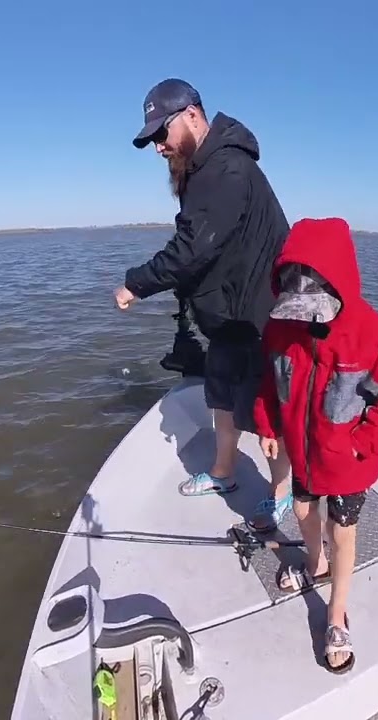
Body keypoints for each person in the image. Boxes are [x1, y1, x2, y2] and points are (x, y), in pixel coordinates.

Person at [113, 78, 294, 530]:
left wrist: (136, 285)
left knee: (267, 413)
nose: (159, 146)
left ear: (192, 115)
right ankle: (223, 473)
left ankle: (282, 493)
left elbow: (193, 248)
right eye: (153, 139)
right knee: (222, 398)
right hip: (226, 316)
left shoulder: (227, 169)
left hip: (259, 317)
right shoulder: (201, 167)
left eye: (162, 133)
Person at [251, 216, 378, 674]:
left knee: (342, 530)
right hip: (302, 455)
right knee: (303, 511)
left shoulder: (372, 333)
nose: (302, 316)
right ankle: (315, 563)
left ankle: (337, 612)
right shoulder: (280, 329)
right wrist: (267, 426)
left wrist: (361, 445)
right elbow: (269, 383)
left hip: (348, 464)